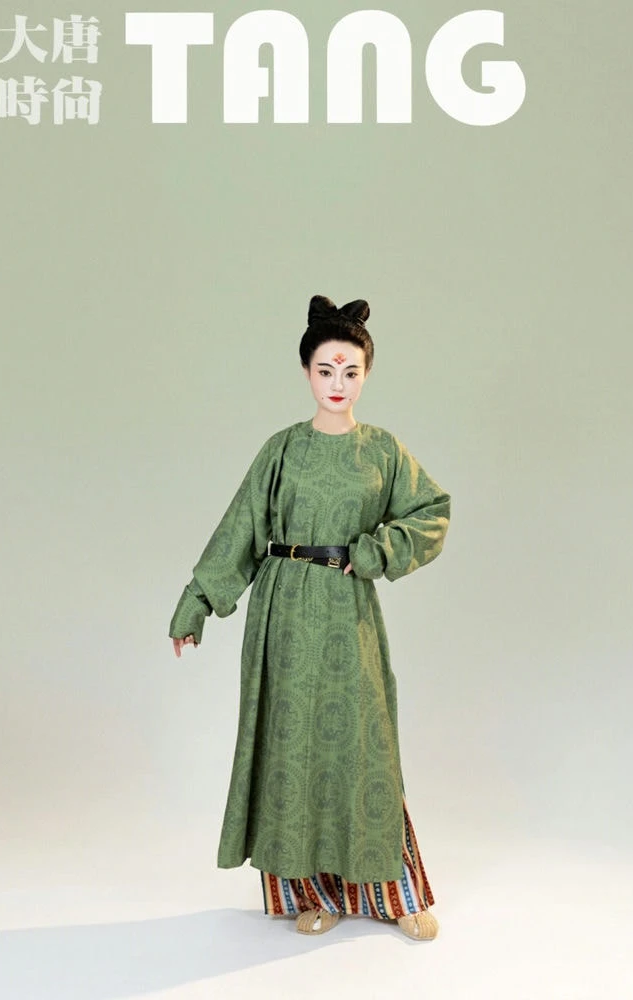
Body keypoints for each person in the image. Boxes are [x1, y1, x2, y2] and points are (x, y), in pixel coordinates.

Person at [169, 295, 451, 940]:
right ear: (306, 373)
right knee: (292, 747)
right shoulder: (282, 449)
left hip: (348, 613)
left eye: (350, 371)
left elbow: (432, 511)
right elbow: (241, 528)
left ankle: (396, 895)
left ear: (366, 375)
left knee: (363, 747)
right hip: (285, 614)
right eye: (326, 370)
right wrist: (198, 603)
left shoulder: (382, 451)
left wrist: (375, 551)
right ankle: (310, 893)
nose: (337, 383)